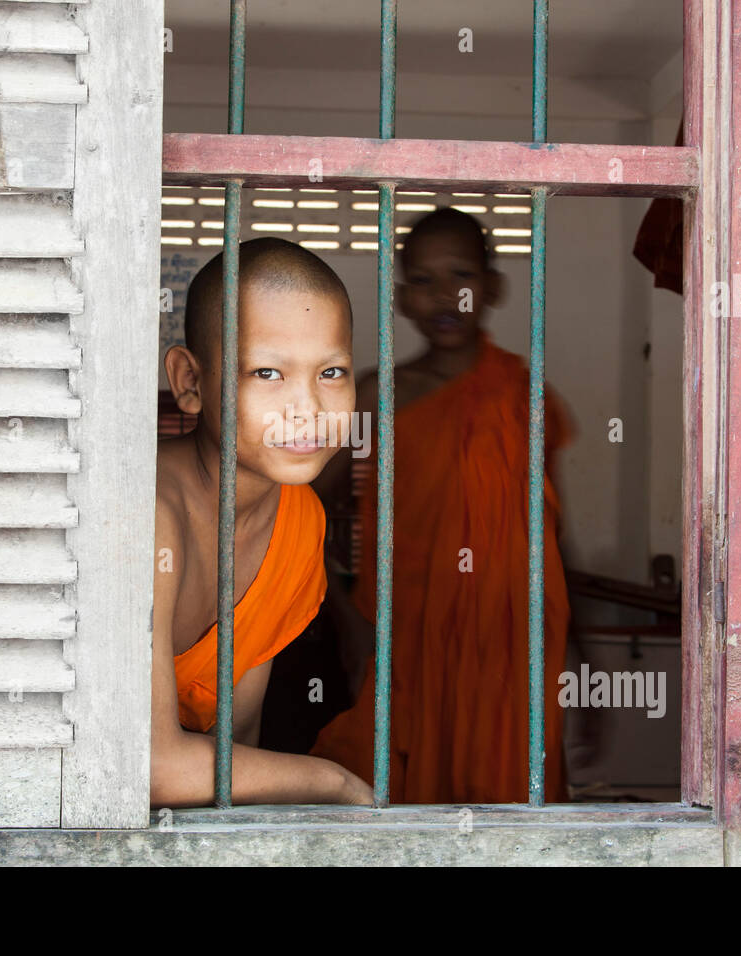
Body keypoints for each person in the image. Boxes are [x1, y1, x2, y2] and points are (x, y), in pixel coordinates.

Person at [309, 208, 575, 804]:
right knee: (396, 801)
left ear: (492, 288)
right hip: (406, 640)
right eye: (423, 280)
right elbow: (306, 508)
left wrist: (580, 654)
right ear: (402, 298)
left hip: (508, 649)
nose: (443, 296)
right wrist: (347, 620)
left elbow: (554, 536)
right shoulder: (379, 398)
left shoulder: (523, 396)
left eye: (461, 275)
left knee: (507, 805)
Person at [151, 237, 375, 808]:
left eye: (331, 372)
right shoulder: (150, 514)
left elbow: (235, 740)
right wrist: (335, 782)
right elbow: (148, 764)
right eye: (268, 372)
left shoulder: (299, 520)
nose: (308, 409)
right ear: (190, 382)